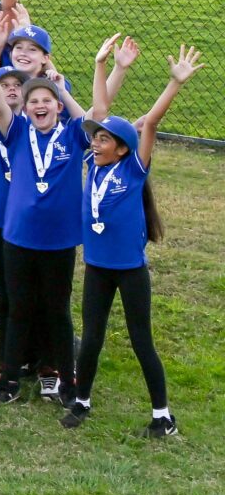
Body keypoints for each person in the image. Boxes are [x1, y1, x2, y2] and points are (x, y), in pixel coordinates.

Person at [63, 39, 199, 435]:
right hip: (97, 268)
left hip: (129, 271)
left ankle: (162, 416)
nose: (95, 142)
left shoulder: (134, 168)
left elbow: (151, 122)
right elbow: (100, 111)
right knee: (91, 337)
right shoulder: (94, 163)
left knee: (142, 340)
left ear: (123, 149)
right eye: (95, 138)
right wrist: (101, 63)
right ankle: (82, 401)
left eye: (104, 140)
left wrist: (175, 83)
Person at [0, 22, 87, 406]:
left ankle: (60, 376)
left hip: (55, 236)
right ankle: (10, 375)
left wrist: (62, 90)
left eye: (41, 98)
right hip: (11, 230)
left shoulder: (66, 130)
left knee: (55, 307)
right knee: (15, 305)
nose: (34, 102)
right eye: (30, 99)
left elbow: (93, 116)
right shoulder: (11, 127)